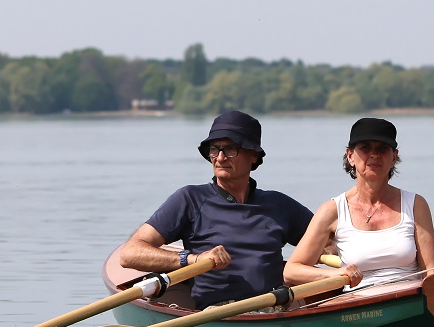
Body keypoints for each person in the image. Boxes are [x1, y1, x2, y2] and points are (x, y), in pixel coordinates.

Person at [119, 109, 315, 308]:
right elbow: (130, 254)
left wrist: (329, 249)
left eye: (230, 149)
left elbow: (328, 237)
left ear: (253, 155)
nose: (220, 158)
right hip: (217, 313)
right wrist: (194, 259)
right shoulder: (190, 199)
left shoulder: (279, 204)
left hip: (274, 309)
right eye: (215, 149)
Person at [283, 117, 434, 291]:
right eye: (365, 148)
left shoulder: (416, 205)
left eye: (382, 149)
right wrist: (335, 274)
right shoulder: (332, 210)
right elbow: (291, 271)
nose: (374, 155)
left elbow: (432, 274)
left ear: (394, 157)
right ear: (350, 155)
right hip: (357, 310)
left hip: (410, 303)